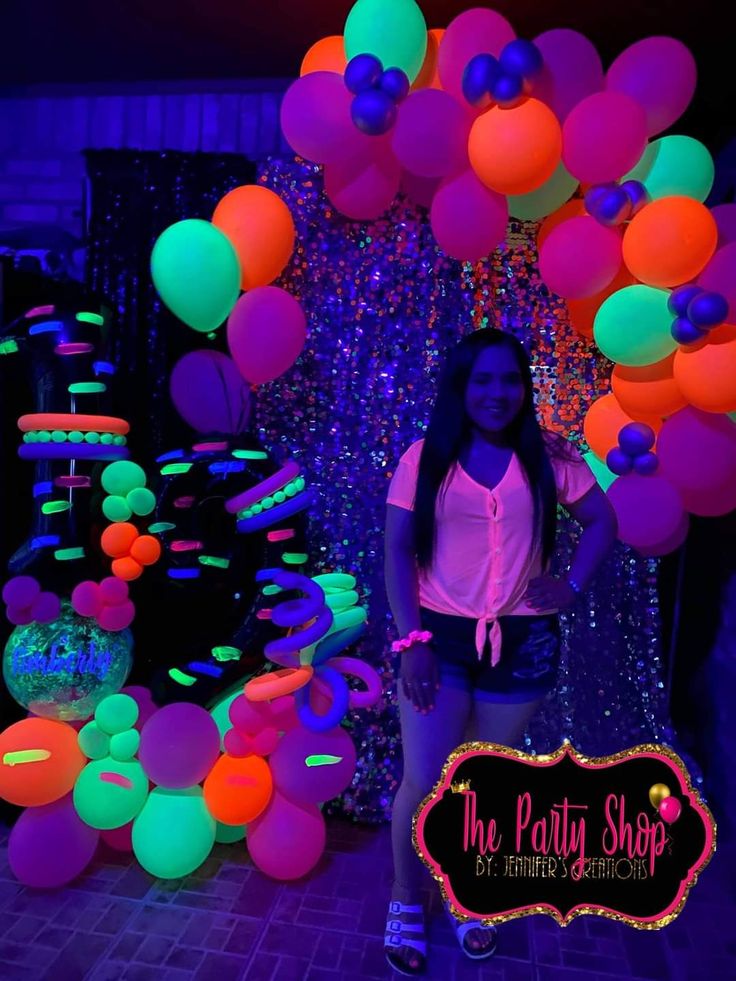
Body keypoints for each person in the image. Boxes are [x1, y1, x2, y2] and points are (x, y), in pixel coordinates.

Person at [383, 328, 618, 976]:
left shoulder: (550, 454)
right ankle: (407, 896)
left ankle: (464, 889)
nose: (496, 392)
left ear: (524, 387)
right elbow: (397, 551)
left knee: (482, 779)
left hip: (523, 642)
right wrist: (412, 643)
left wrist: (570, 584)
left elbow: (604, 521)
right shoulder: (426, 456)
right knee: (425, 779)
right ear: (461, 385)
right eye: (481, 379)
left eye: (509, 379)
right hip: (439, 638)